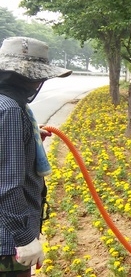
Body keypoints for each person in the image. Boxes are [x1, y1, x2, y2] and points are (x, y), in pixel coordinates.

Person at [0, 37, 72, 276]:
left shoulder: (6, 106)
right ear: (30, 79)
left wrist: (27, 137)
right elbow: (6, 184)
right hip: (7, 241)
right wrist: (23, 238)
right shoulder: (10, 110)